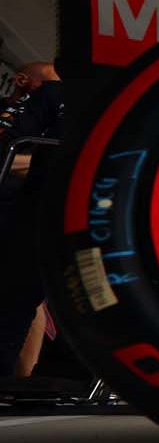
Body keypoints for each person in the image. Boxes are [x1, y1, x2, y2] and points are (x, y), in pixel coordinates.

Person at [0, 61, 63, 373]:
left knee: (23, 293)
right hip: (25, 208)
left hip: (33, 211)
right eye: (49, 81)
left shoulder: (50, 100)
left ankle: (20, 374)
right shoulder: (30, 105)